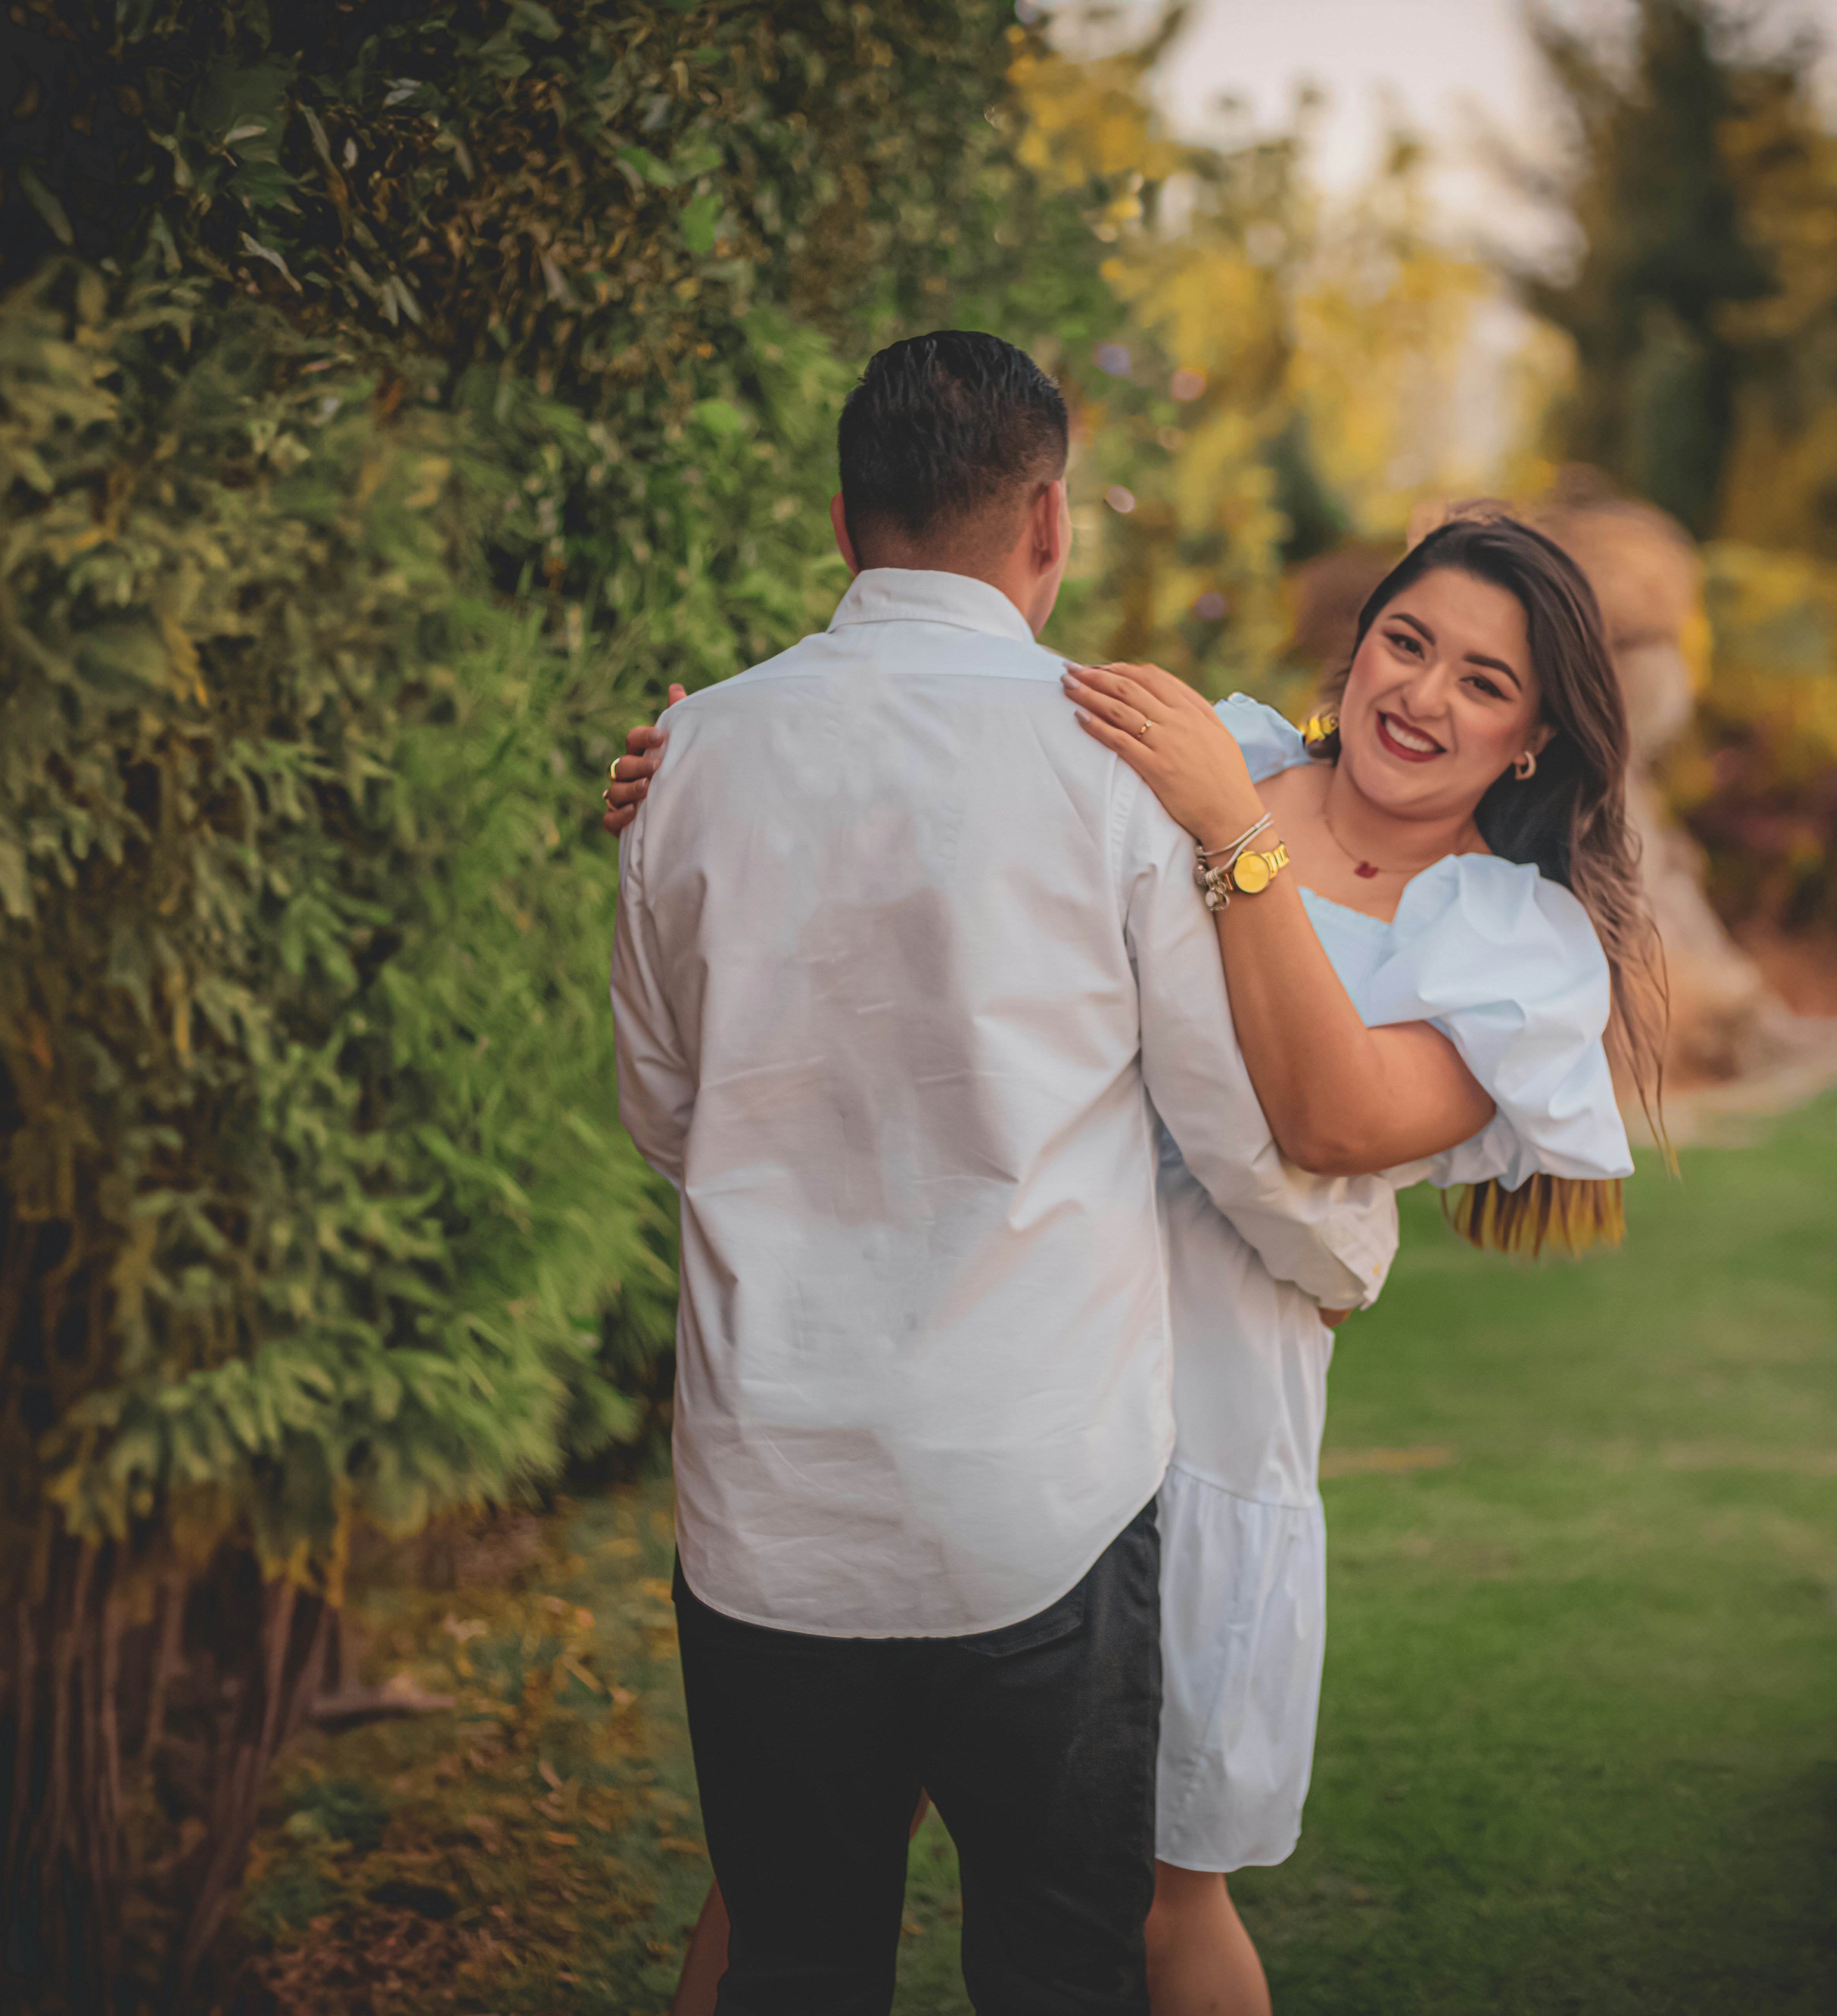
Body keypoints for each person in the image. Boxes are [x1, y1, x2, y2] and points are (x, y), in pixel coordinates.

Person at [609, 511, 1674, 2014]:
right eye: (1409, 641)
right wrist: (708, 778)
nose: (1424, 695)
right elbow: (924, 770)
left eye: (1485, 683)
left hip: (1205, 1429)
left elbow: (1327, 1118)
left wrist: (1236, 842)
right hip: (972, 1369)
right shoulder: (1199, 745)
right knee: (787, 1874)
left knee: (1165, 1901)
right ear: (1357, 643)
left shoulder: (1512, 938)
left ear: (1533, 739)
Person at [607, 329, 1396, 2016]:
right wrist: (1340, 1255)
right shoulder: (1110, 761)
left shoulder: (686, 765)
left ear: (842, 523)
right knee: (1057, 1970)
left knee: (795, 1964)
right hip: (1034, 1499)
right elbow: (1223, 1121)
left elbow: (667, 1115)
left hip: (768, 1505)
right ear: (1049, 524)